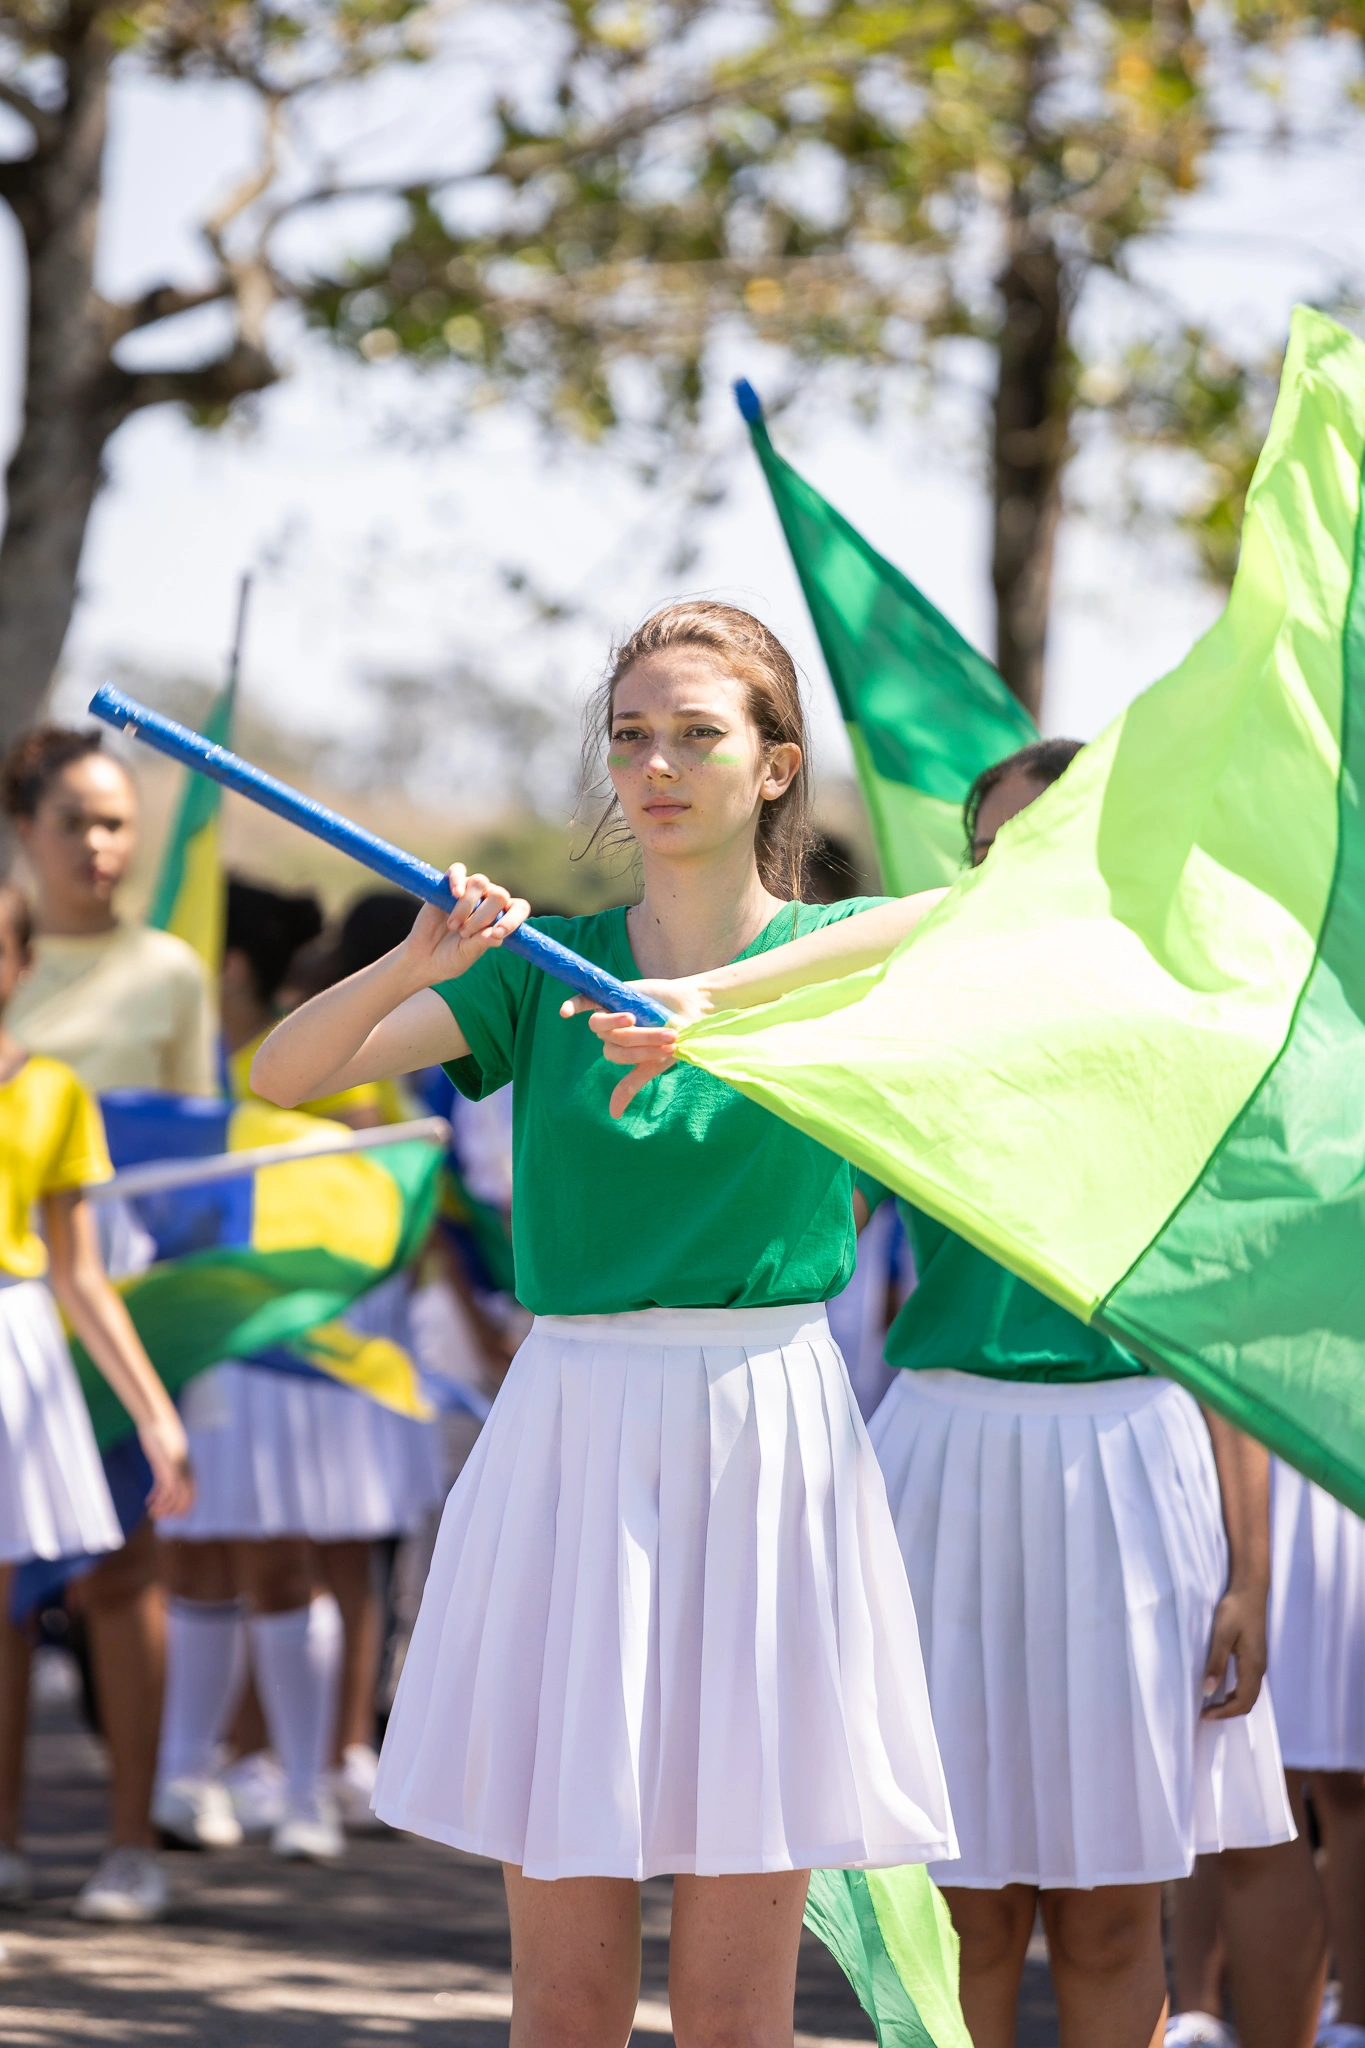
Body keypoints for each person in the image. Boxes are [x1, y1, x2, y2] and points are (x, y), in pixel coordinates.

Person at [250, 600, 955, 2048]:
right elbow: (285, 1075)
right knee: (565, 2001)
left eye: (700, 735)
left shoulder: (831, 962)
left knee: (732, 2003)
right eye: (631, 737)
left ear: (773, 767)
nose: (657, 766)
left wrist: (713, 999)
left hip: (765, 1433)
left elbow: (957, 919)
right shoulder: (537, 965)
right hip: (574, 1430)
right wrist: (412, 965)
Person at [579, 737, 1305, 2048]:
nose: (1000, 876)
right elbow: (779, 1199)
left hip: (1129, 1472)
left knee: (1105, 1910)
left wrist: (1249, 1569)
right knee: (958, 1904)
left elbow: (1222, 1332)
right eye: (981, 852)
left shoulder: (1194, 1044)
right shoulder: (910, 1024)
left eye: (1032, 843)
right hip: (940, 1465)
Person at [156, 879, 446, 1860]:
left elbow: (396, 1167)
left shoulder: (316, 1058)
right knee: (199, 1541)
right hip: (209, 1333)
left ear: (230, 961)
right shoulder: (187, 1065)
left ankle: (314, 1775)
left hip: (307, 1340)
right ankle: (187, 1773)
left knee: (297, 1545)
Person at [0, 724, 215, 1922]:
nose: (101, 843)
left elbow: (206, 1151)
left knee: (123, 1566)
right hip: (19, 1308)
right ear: (24, 827)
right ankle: (8, 1834)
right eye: (76, 818)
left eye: (117, 820)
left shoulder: (172, 969)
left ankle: (131, 1839)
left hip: (121, 1298)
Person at [1168, 1460, 1362, 2048]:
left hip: (1344, 1456)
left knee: (1349, 1778)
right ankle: (1197, 2007)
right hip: (1250, 1466)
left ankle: (1354, 2011)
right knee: (1223, 1760)